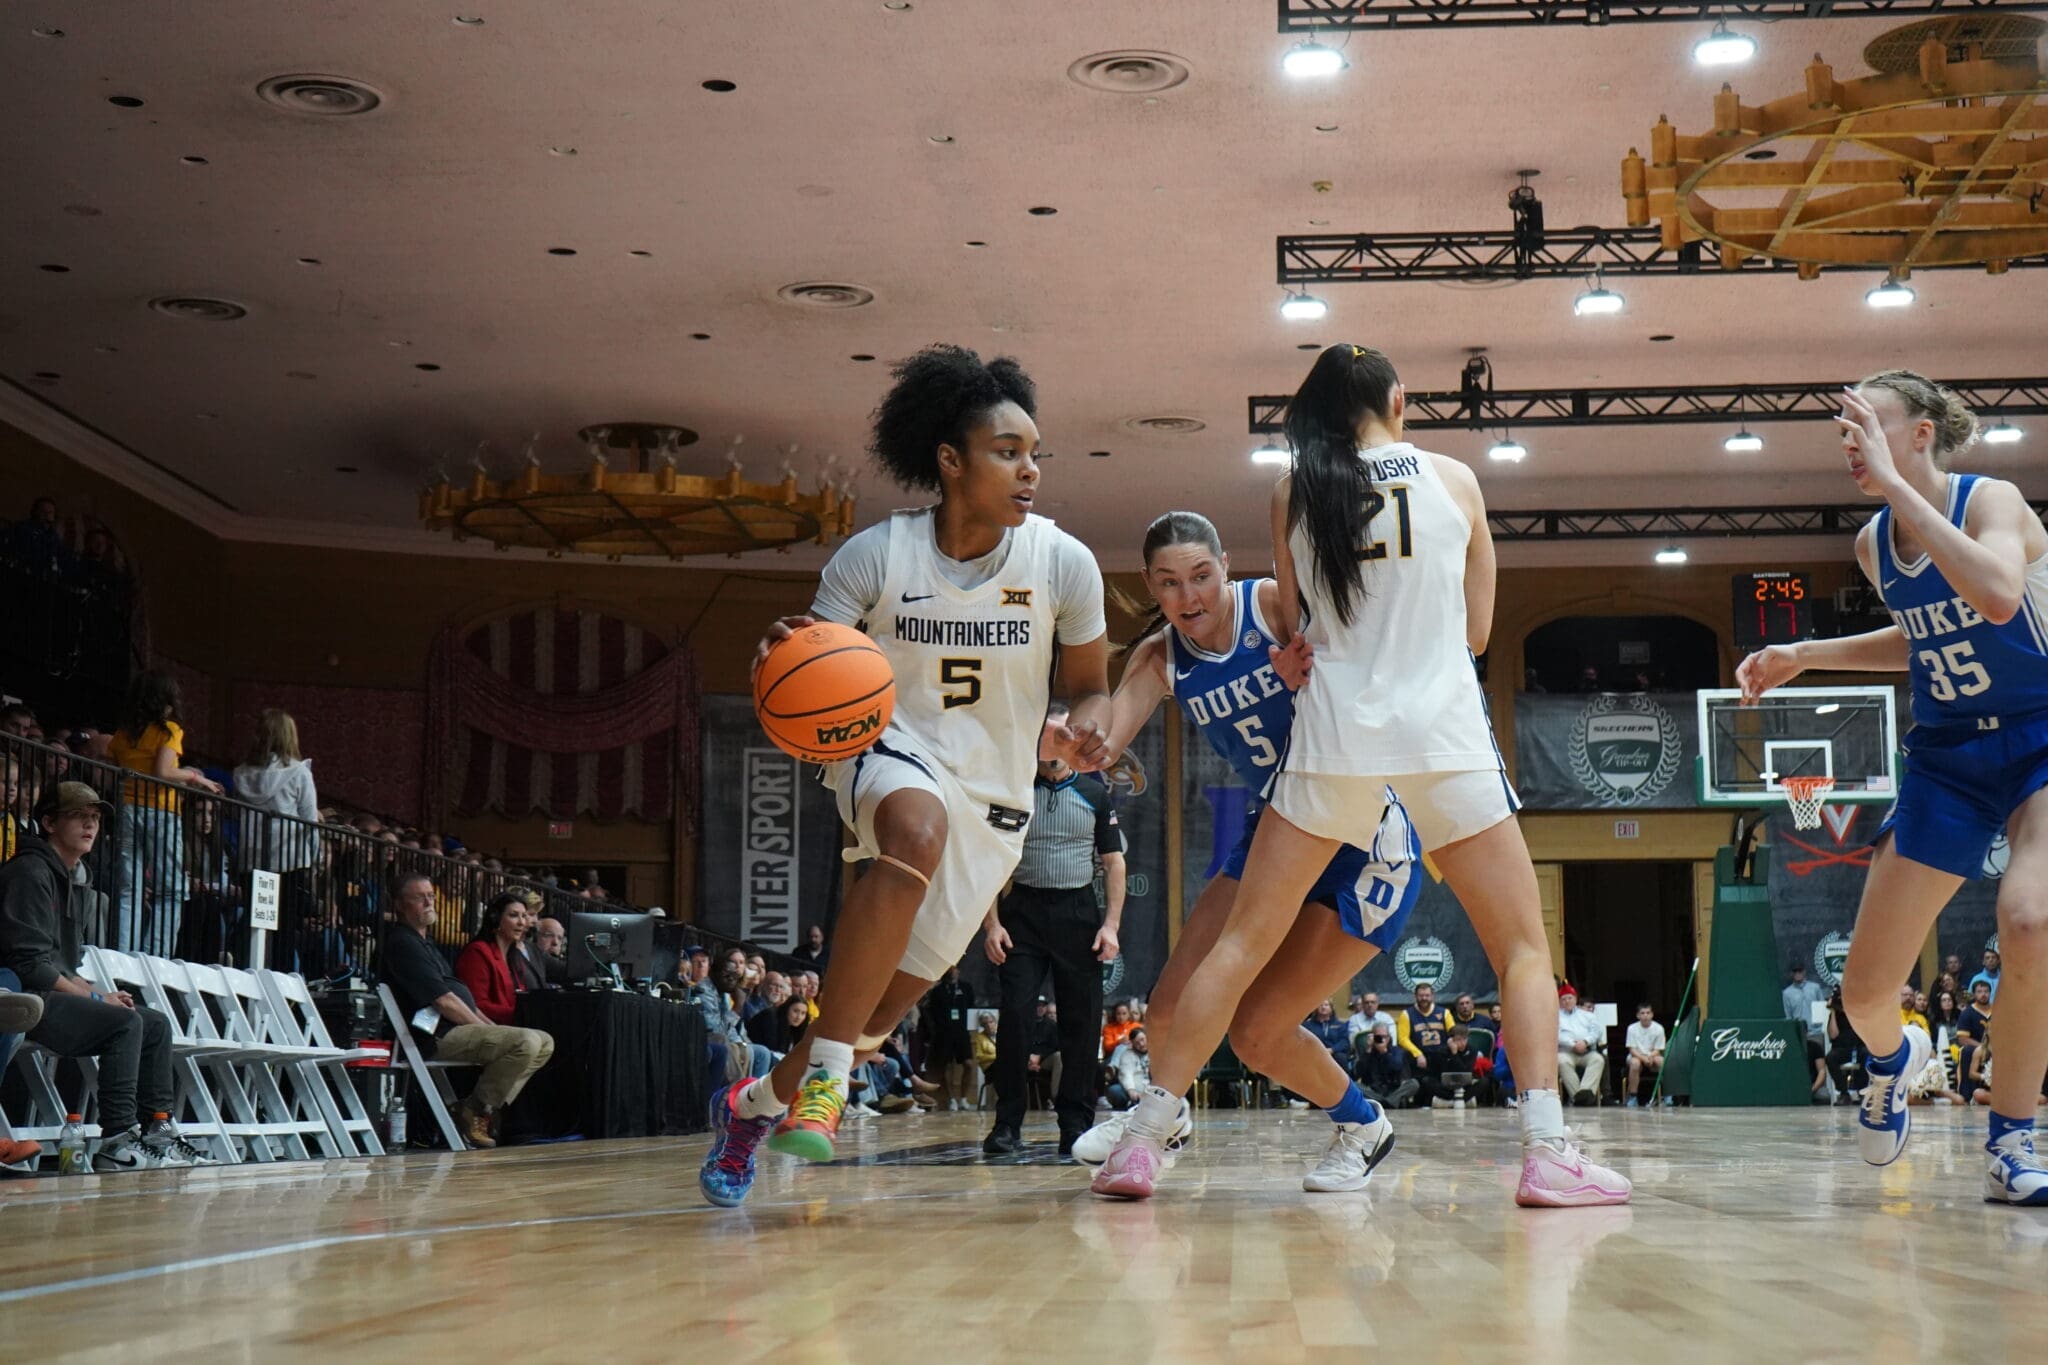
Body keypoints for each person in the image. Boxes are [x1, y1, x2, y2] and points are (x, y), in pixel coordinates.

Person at [1093, 346, 1626, 1205]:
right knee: (1523, 948)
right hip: (1443, 735)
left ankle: (1146, 1137)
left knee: (1237, 948)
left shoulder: (1294, 490)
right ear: (1399, 402)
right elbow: (1481, 633)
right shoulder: (1456, 480)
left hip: (1337, 737)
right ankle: (1547, 1150)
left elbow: (1297, 625)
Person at [701, 344, 1111, 1207]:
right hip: (885, 751)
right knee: (914, 830)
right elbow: (805, 656)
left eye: (1036, 452)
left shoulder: (1062, 564)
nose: (1030, 468)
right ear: (951, 459)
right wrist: (784, 655)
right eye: (1008, 450)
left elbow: (1092, 689)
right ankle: (829, 1088)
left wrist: (1086, 729)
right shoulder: (875, 558)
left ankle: (752, 1104)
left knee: (873, 1014)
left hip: (997, 798)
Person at [1737, 370, 2048, 1203]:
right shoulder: (1876, 544)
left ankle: (2012, 1139)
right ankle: (1892, 1060)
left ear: (1920, 434)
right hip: (1946, 758)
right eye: (1844, 429)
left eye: (1868, 424)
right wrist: (1804, 654)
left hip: (2038, 740)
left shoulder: (1992, 502)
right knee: (1864, 993)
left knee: (2029, 920)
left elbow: (1995, 594)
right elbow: (1921, 636)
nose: (1852, 442)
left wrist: (1906, 495)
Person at [1069, 509, 1424, 1193]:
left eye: (1201, 575)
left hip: (1361, 836)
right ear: (1151, 585)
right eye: (1170, 583)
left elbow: (1364, 676)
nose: (1189, 596)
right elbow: (1108, 735)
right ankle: (1164, 1117)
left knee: (1259, 1030)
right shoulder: (1160, 656)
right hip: (1280, 826)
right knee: (1168, 1007)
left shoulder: (1270, 606)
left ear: (1226, 566)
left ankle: (1363, 1125)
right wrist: (1077, 739)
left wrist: (1313, 678)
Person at [0, 782, 213, 1169]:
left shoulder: (74, 877)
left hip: (50, 993)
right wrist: (98, 1000)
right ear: (48, 822)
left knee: (155, 1024)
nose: (90, 825)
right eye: (79, 816)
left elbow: (66, 965)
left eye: (95, 818)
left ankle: (157, 1131)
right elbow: (31, 966)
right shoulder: (29, 872)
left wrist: (99, 991)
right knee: (124, 1022)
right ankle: (117, 1138)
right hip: (23, 1001)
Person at [983, 709, 1127, 1157]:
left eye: (1064, 734)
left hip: (1077, 914)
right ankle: (1006, 1125)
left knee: (1081, 1027)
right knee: (1015, 1021)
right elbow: (989, 859)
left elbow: (1114, 863)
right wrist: (991, 924)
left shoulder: (1094, 793)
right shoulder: (1014, 792)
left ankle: (1076, 1126)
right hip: (1022, 912)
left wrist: (1111, 926)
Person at [378, 873, 555, 1148]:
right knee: (527, 1041)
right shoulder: (402, 942)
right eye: (419, 897)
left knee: (544, 1042)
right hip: (431, 1038)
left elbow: (464, 1001)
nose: (428, 902)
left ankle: (476, 1107)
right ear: (400, 905)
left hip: (455, 1029)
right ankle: (480, 1110)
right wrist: (484, 1029)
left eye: (431, 896)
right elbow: (444, 1002)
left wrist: (493, 1029)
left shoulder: (425, 942)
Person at [108, 669, 223, 954]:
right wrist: (197, 778)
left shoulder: (123, 734)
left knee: (129, 889)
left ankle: (124, 957)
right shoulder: (169, 730)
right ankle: (155, 960)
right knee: (172, 890)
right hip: (159, 811)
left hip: (127, 808)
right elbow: (163, 772)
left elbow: (113, 764)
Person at [230, 708, 321, 931]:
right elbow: (310, 819)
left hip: (251, 856)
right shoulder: (299, 772)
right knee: (286, 927)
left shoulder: (241, 773)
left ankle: (247, 963)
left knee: (256, 921)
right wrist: (315, 855)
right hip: (290, 858)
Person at [454, 892, 540, 1026]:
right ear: (495, 918)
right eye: (513, 915)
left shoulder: (515, 955)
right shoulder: (477, 952)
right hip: (488, 1028)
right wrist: (521, 1013)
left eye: (524, 916)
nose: (521, 922)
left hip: (515, 1025)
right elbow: (476, 1005)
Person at [925, 965, 975, 1111]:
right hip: (943, 1034)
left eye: (955, 969)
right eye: (950, 969)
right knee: (945, 1066)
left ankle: (964, 1098)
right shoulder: (938, 990)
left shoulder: (966, 988)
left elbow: (971, 1005)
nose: (953, 971)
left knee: (968, 1064)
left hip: (962, 1032)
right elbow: (932, 1012)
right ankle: (951, 1098)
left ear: (959, 971)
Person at [1556, 985, 1606, 1107]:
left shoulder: (1588, 1015)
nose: (1567, 1001)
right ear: (1560, 1002)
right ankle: (1578, 1097)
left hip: (1586, 1051)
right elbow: (1555, 1034)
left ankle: (1585, 1092)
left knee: (1598, 1060)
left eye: (1569, 998)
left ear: (1575, 998)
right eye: (1564, 999)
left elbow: (1596, 1031)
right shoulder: (1555, 1016)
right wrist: (1572, 1044)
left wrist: (1585, 1041)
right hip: (1567, 1051)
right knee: (1561, 1061)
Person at [1353, 1026, 1419, 1111]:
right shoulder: (1367, 1053)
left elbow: (1396, 1066)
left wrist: (1384, 1052)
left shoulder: (1397, 1051)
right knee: (1354, 1085)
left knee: (1414, 1083)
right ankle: (1388, 1103)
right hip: (1373, 1092)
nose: (1381, 1039)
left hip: (1393, 1091)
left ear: (1389, 1038)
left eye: (1384, 1036)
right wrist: (1368, 1051)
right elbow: (1357, 1074)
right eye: (1378, 1037)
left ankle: (1384, 1103)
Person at [1396, 981, 1452, 1079]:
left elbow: (1453, 1034)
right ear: (1415, 996)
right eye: (1421, 995)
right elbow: (1402, 1039)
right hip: (1419, 1056)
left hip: (1440, 1056)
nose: (1424, 998)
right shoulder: (1406, 1014)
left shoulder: (1445, 1013)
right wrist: (1418, 1054)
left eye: (1427, 995)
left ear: (1432, 996)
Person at [1624, 1003, 1667, 1107]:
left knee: (1662, 1061)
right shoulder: (1632, 1028)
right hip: (1636, 1055)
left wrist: (1650, 1056)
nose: (1645, 1015)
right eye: (1642, 1013)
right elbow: (1632, 1049)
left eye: (1648, 1013)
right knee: (1635, 1063)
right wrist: (1643, 1058)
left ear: (1652, 1014)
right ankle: (1633, 1096)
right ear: (1638, 1015)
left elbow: (1659, 1048)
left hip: (1652, 1055)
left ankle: (1667, 1095)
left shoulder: (1659, 1028)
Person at [1106, 1026, 1150, 1109]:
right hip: (1134, 1090)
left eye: (1142, 1040)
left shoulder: (1155, 1051)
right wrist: (1131, 1090)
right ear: (1132, 1044)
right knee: (1115, 1091)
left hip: (1152, 1089)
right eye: (1137, 1043)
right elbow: (1126, 1074)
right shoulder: (1127, 1054)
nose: (1141, 1044)